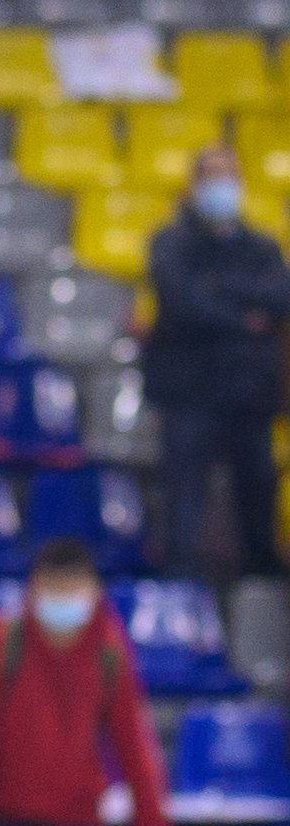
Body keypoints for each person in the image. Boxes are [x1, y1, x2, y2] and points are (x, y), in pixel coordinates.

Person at [0, 538, 174, 826]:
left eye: (74, 589)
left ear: (94, 591)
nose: (64, 598)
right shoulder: (3, 646)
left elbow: (134, 742)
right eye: (55, 588)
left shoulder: (109, 652)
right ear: (35, 589)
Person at [143, 144, 290, 580]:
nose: (220, 186)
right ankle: (179, 593)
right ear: (193, 184)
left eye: (228, 175)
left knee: (258, 499)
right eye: (210, 175)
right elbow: (182, 303)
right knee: (183, 506)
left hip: (250, 397)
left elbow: (280, 298)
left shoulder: (264, 246)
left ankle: (262, 594)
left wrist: (219, 293)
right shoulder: (170, 242)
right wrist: (247, 316)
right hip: (188, 396)